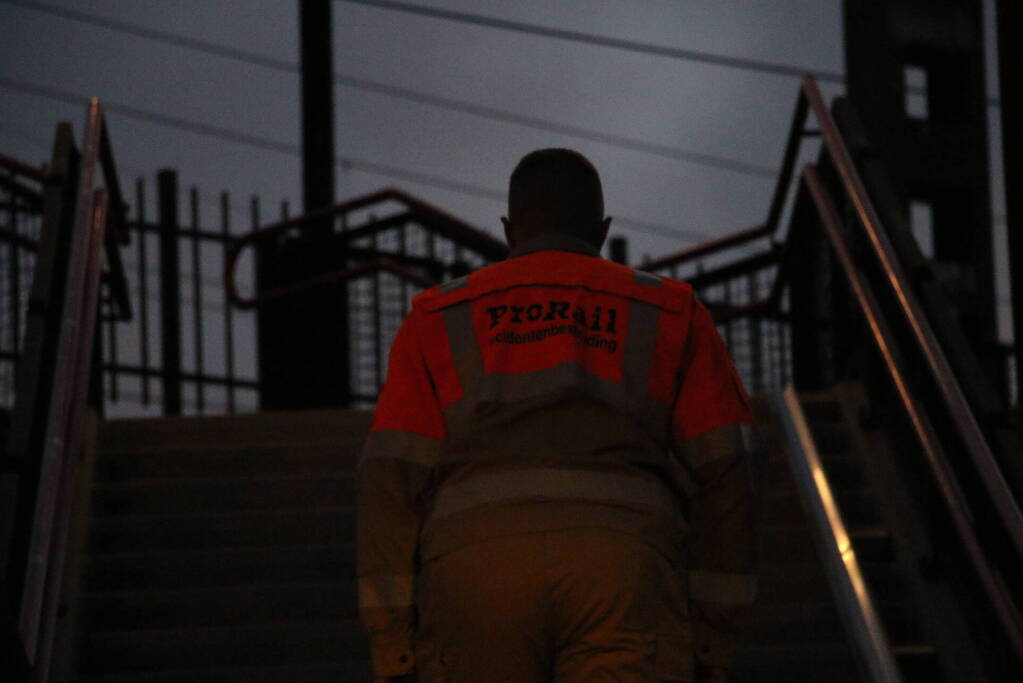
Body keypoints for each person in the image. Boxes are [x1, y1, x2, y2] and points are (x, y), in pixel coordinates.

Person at [357, 148, 757, 682]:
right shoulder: (670, 312)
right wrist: (712, 636)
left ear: (508, 230)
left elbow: (389, 479)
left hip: (476, 573)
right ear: (602, 228)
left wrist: (393, 645)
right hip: (625, 568)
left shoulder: (438, 318)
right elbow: (730, 470)